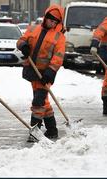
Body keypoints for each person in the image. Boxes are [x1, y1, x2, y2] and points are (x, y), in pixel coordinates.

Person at [17, 4, 66, 142]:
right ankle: (52, 129)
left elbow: (58, 57)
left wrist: (50, 73)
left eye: (56, 22)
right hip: (32, 71)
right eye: (51, 20)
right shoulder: (33, 28)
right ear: (46, 17)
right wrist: (24, 46)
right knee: (43, 101)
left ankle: (35, 131)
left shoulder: (59, 37)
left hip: (45, 74)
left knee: (38, 102)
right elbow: (21, 41)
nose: (53, 23)